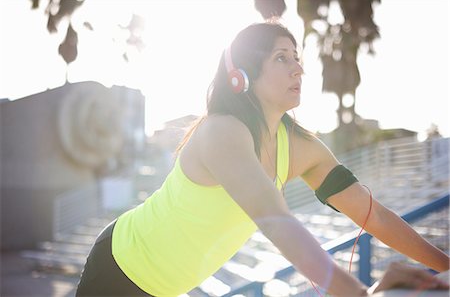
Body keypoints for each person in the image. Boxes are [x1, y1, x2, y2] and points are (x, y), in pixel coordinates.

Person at [76, 21, 449, 297]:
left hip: (168, 289)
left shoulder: (300, 147)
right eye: (281, 58)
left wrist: (446, 267)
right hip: (119, 270)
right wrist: (361, 295)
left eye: (296, 57)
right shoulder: (223, 132)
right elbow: (280, 225)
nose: (298, 68)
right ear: (241, 77)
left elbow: (374, 214)